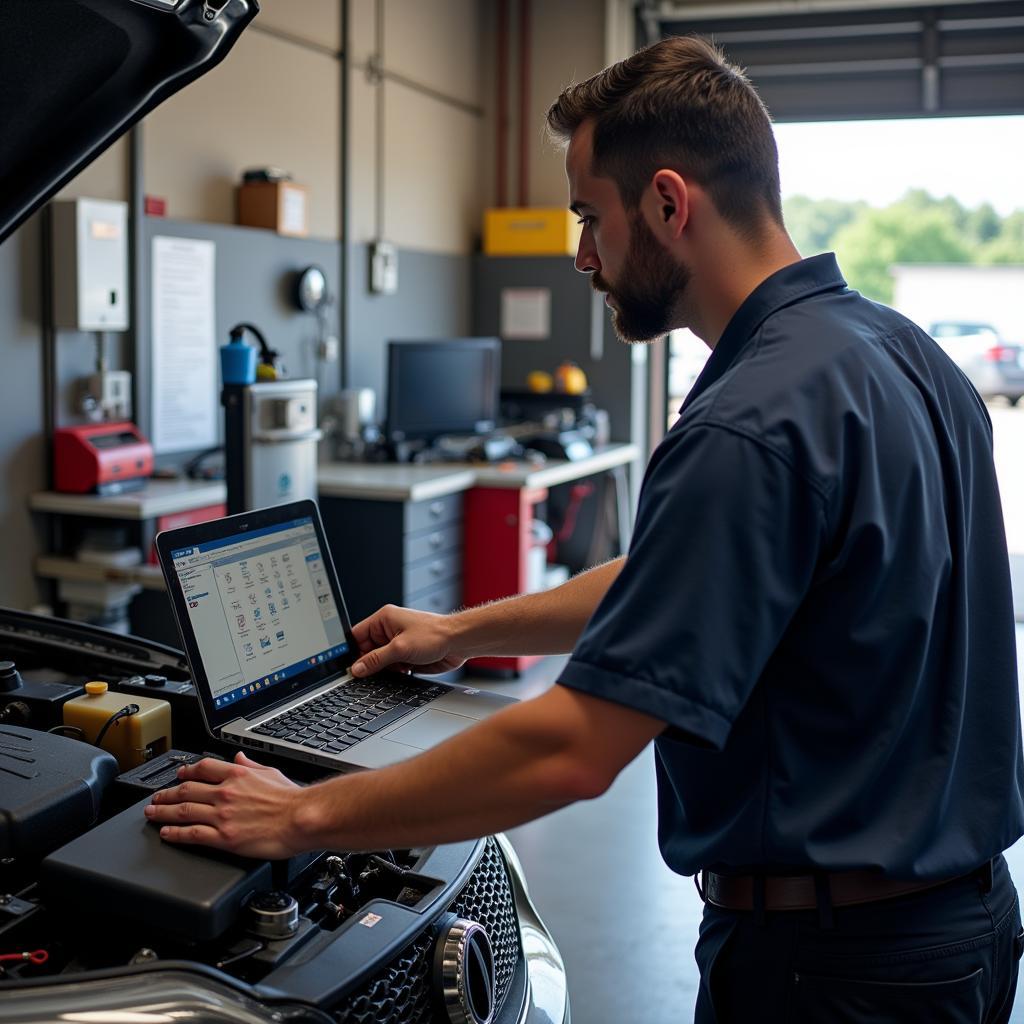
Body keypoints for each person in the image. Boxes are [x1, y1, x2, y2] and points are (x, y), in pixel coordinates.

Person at [146, 35, 1024, 1021]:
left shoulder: (750, 422)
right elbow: (692, 578)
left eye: (587, 216)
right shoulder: (903, 356)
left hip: (831, 969)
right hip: (963, 926)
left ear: (665, 202)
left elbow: (573, 748)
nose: (581, 256)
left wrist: (299, 815)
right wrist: (464, 631)